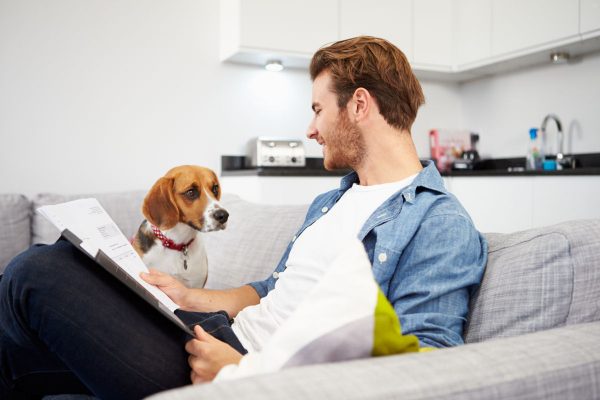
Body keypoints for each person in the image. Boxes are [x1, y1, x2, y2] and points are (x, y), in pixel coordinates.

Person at [0, 36, 487, 399]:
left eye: (318, 109)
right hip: (213, 332)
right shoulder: (331, 203)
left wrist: (248, 375)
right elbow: (273, 288)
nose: (311, 128)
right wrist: (190, 295)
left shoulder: (438, 221)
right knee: (30, 328)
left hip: (236, 367)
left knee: (35, 273)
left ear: (359, 104)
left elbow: (429, 366)